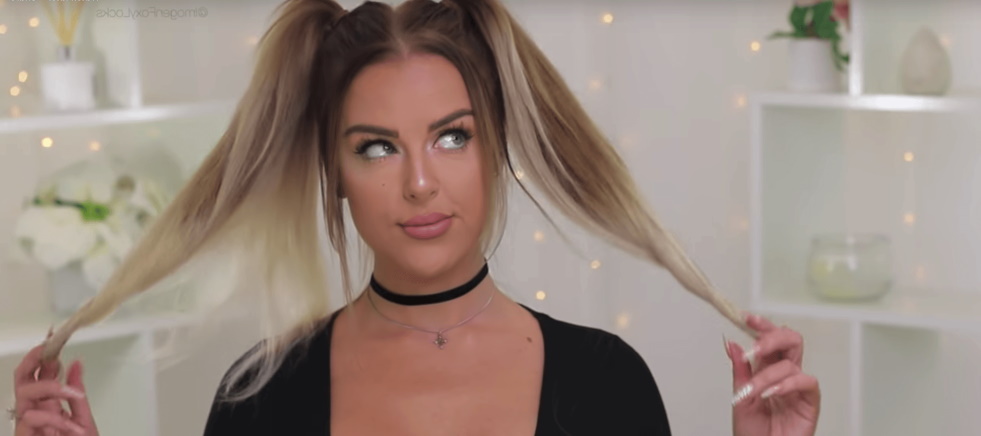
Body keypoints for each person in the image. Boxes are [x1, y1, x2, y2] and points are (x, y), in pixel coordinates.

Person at [9, 0, 820, 435]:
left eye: (451, 136)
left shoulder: (605, 383)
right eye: (375, 148)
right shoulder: (262, 396)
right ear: (332, 173)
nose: (420, 182)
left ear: (495, 147)